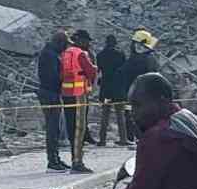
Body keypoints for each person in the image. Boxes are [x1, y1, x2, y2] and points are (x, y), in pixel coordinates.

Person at [61, 29, 98, 174]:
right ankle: (77, 162)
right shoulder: (81, 54)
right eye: (87, 41)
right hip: (79, 94)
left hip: (67, 94)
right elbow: (91, 72)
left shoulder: (66, 53)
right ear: (81, 41)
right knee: (79, 128)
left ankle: (75, 159)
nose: (88, 44)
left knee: (71, 128)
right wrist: (95, 67)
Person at [36, 30, 69, 172]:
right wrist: (65, 78)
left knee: (55, 128)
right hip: (50, 94)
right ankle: (52, 161)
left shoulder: (50, 53)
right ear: (59, 42)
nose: (66, 48)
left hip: (50, 93)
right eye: (65, 44)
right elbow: (52, 77)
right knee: (52, 128)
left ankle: (55, 158)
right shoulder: (49, 55)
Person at [97, 34, 130, 147]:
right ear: (115, 43)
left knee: (105, 114)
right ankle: (123, 139)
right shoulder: (120, 54)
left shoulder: (100, 55)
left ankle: (102, 140)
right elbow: (124, 71)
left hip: (106, 90)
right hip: (118, 90)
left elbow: (99, 71)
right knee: (120, 114)